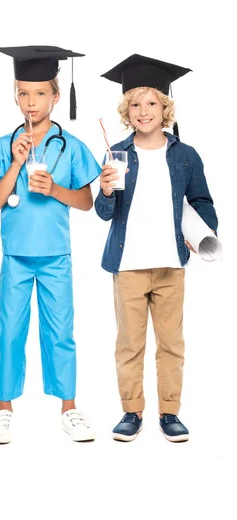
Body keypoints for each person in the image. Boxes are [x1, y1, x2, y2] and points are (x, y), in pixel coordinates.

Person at [0, 45, 100, 443]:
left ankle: (69, 407)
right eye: (23, 94)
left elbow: (86, 202)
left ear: (56, 96)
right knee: (10, 330)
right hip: (16, 256)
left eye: (40, 93)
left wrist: (55, 189)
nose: (31, 102)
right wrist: (15, 163)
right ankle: (3, 408)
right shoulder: (4, 144)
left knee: (60, 331)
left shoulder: (72, 146)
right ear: (15, 95)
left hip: (55, 256)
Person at [95, 54, 218, 442]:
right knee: (129, 344)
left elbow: (202, 201)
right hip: (128, 265)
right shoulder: (116, 154)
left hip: (170, 265)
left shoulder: (184, 155)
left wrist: (199, 233)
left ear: (165, 107)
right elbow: (103, 212)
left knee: (171, 344)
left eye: (152, 103)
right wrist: (106, 188)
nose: (143, 111)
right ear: (125, 110)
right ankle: (132, 411)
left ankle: (170, 412)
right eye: (135, 104)